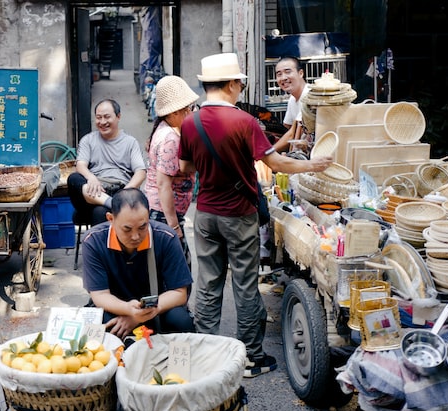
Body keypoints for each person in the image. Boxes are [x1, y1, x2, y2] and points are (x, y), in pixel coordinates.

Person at [179, 52, 333, 378]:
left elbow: (184, 167)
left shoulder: (190, 123)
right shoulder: (244, 122)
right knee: (246, 286)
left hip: (205, 214)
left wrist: (209, 166)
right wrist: (313, 165)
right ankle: (250, 358)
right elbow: (275, 163)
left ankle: (206, 357)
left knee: (208, 286)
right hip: (238, 214)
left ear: (207, 85)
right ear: (233, 84)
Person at [81, 188, 195, 339]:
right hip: (116, 308)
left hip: (157, 309)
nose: (135, 236)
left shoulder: (165, 237)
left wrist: (140, 316)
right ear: (111, 219)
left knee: (181, 322)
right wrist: (128, 310)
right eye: (127, 229)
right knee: (97, 328)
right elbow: (100, 295)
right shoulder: (93, 241)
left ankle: (175, 363)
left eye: (143, 227)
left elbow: (179, 293)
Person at [144, 75, 199, 269]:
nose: (191, 112)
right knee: (180, 267)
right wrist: (174, 226)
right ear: (176, 112)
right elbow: (163, 185)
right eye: (189, 109)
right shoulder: (169, 139)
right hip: (163, 214)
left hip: (162, 213)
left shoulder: (165, 128)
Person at [67, 99, 147, 226]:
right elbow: (80, 165)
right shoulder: (88, 140)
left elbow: (141, 172)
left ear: (118, 116)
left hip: (119, 190)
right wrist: (91, 178)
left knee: (100, 213)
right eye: (98, 118)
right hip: (93, 190)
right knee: (74, 178)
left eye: (107, 117)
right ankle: (113, 203)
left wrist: (125, 193)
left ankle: (114, 203)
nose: (102, 122)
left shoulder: (130, 142)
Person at [272, 57, 310, 153]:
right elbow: (286, 127)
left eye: (288, 72)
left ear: (301, 73)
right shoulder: (292, 99)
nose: (283, 78)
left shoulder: (309, 96)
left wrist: (267, 152)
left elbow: (292, 133)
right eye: (279, 74)